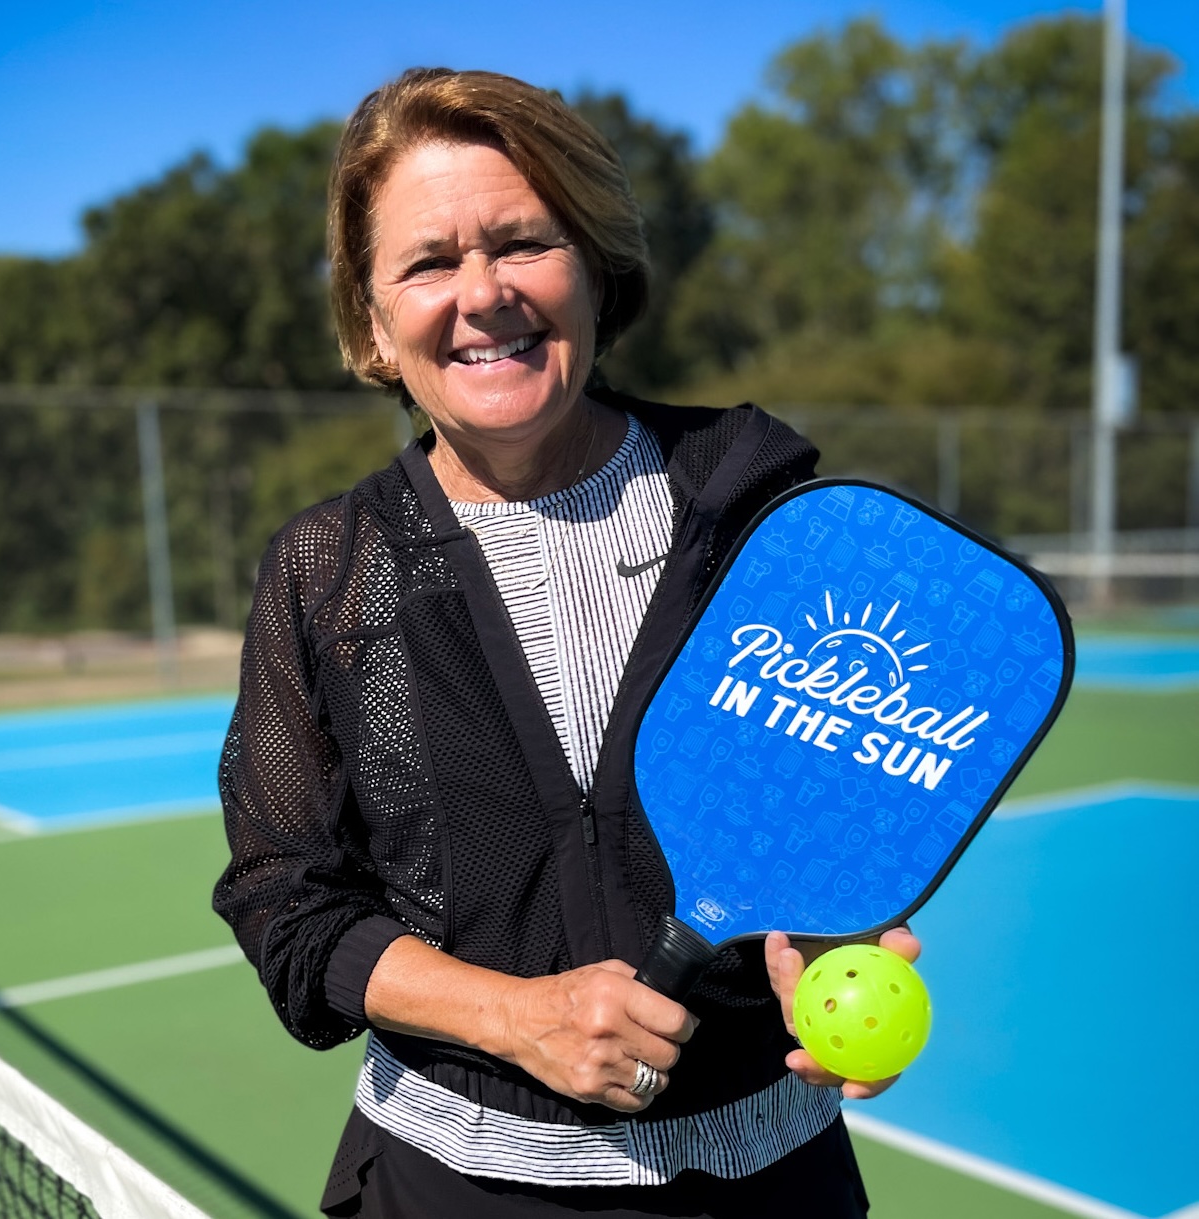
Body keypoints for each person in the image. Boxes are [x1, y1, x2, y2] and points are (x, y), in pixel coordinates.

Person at [214, 67, 921, 1218]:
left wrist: (837, 934)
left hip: (775, 1178)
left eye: (522, 242)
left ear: (596, 269)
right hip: (453, 1186)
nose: (483, 293)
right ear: (374, 323)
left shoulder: (755, 510)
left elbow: (830, 787)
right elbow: (288, 903)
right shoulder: (328, 570)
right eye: (430, 262)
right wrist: (515, 1017)